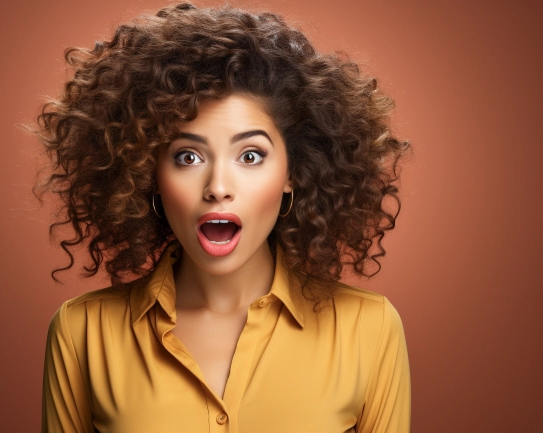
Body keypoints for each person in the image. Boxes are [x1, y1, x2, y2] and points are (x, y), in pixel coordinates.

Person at [32, 2, 411, 432]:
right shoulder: (82, 333)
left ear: (293, 173)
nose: (217, 186)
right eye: (188, 156)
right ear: (148, 173)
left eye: (250, 155)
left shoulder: (370, 329)